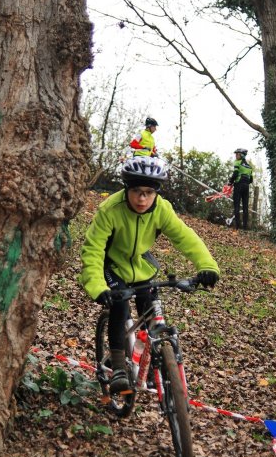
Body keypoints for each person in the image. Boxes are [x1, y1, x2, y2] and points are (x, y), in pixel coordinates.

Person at [79, 156, 220, 395]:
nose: (142, 198)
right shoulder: (110, 209)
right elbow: (93, 249)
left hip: (141, 265)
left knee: (149, 306)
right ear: (126, 189)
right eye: (136, 191)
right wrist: (97, 286)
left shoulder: (162, 209)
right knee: (121, 306)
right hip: (111, 265)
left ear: (156, 193)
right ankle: (120, 366)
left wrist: (207, 266)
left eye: (148, 192)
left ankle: (150, 361)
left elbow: (185, 237)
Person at [228, 148, 253, 230]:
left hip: (239, 185)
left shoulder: (237, 162)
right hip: (246, 187)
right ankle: (245, 228)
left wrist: (230, 182)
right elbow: (251, 180)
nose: (236, 155)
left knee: (236, 205)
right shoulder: (249, 167)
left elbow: (235, 173)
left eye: (237, 154)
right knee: (245, 207)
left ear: (242, 155)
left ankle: (237, 227)